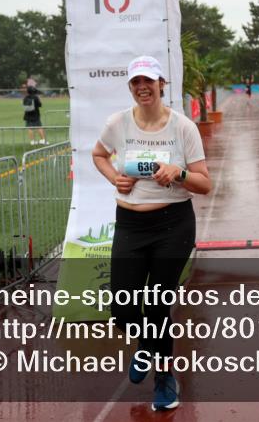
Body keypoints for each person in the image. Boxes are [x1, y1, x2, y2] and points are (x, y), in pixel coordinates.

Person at [91, 55, 211, 411]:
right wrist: (116, 178)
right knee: (122, 308)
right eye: (136, 82)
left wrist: (179, 173)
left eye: (149, 81)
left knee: (158, 304)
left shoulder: (183, 128)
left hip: (173, 225)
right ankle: (146, 345)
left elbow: (205, 183)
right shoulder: (118, 123)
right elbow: (98, 155)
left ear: (162, 84)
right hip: (130, 224)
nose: (143, 87)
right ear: (130, 87)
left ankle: (164, 378)